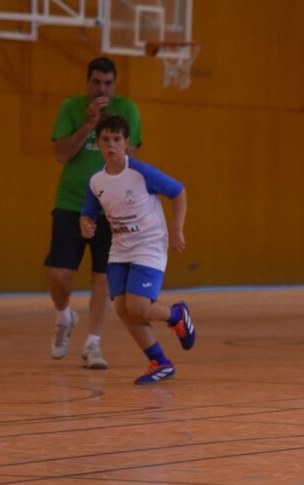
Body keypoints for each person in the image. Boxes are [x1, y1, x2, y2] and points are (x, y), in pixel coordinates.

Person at [80, 115, 195, 385]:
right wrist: (85, 224)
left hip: (149, 244)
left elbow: (178, 191)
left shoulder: (141, 173)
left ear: (126, 143)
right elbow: (88, 212)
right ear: (98, 143)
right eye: (105, 140)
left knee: (138, 307)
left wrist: (177, 229)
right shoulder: (96, 181)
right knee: (122, 309)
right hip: (120, 249)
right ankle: (160, 362)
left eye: (116, 139)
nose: (111, 145)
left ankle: (177, 315)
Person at [46, 56, 143, 368]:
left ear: (115, 84)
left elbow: (130, 160)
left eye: (108, 83)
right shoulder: (71, 109)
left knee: (103, 277)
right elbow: (61, 154)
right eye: (96, 83)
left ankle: (93, 344)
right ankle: (64, 316)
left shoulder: (127, 110)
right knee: (58, 274)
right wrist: (90, 123)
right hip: (71, 202)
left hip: (109, 208)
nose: (102, 89)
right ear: (88, 82)